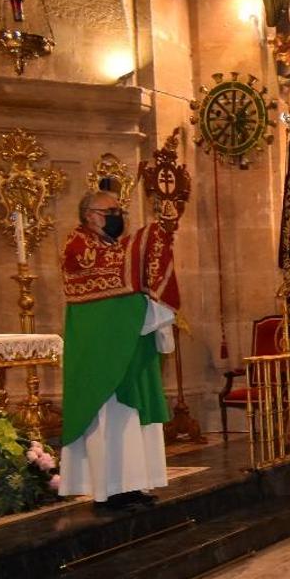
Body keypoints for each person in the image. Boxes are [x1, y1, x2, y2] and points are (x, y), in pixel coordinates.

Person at [58, 190, 179, 508]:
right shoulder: (77, 245)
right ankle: (111, 489)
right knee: (110, 419)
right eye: (111, 210)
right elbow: (115, 268)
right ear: (90, 215)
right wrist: (152, 234)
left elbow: (130, 267)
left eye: (119, 210)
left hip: (129, 343)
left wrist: (159, 236)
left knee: (133, 418)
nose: (118, 216)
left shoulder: (111, 246)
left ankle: (134, 484)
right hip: (101, 351)